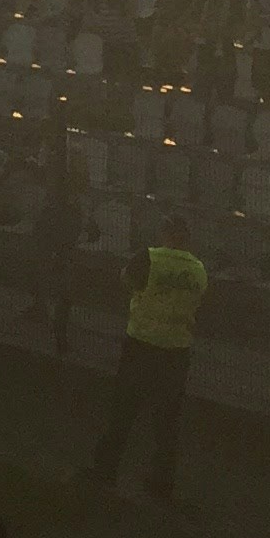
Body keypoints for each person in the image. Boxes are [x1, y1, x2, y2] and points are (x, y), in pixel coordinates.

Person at [85, 213, 207, 503]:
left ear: (165, 233)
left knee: (123, 411)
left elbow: (127, 280)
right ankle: (162, 483)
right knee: (167, 421)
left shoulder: (149, 257)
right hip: (177, 350)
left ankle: (105, 471)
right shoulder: (198, 269)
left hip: (141, 345)